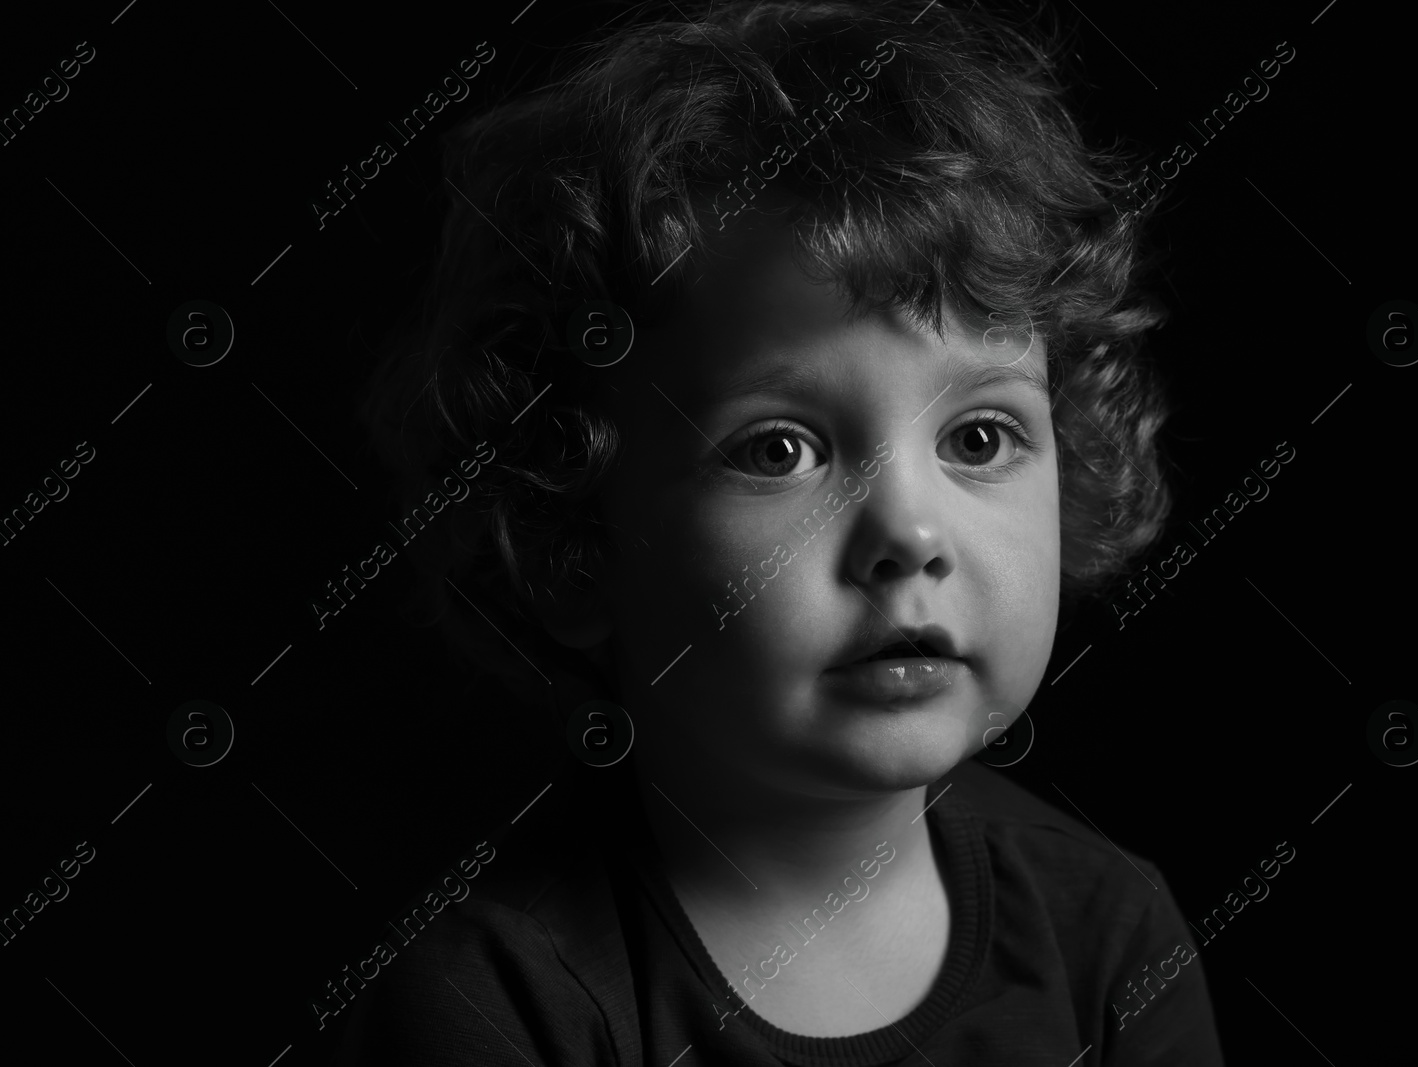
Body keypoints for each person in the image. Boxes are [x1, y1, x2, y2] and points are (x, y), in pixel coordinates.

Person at [338, 0, 1224, 1062]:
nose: (908, 533)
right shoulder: (501, 997)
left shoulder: (1110, 936)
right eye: (777, 450)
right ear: (569, 542)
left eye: (980, 437)